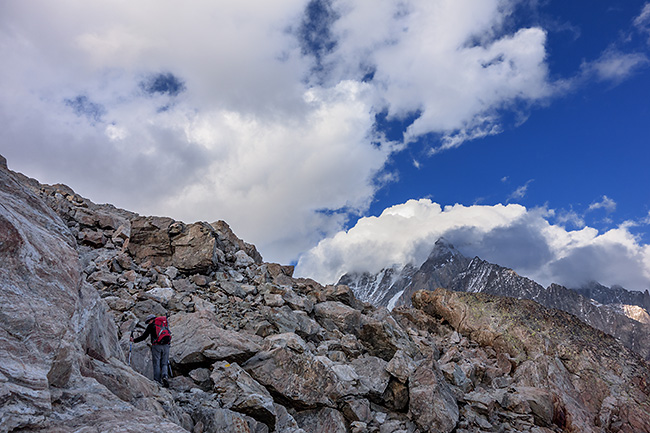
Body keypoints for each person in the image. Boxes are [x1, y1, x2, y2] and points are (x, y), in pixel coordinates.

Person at [131, 314, 171, 387]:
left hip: (156, 346)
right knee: (164, 363)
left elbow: (144, 337)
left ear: (151, 320)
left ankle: (157, 381)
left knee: (157, 363)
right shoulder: (164, 323)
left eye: (148, 321)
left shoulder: (151, 326)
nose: (148, 323)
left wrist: (134, 340)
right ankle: (165, 376)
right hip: (166, 345)